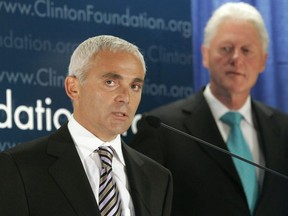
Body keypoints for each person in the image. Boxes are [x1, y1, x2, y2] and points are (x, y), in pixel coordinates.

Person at [130, 2, 288, 216]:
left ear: (263, 61)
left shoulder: (283, 128)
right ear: (205, 55)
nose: (236, 59)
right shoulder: (162, 129)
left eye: (247, 50)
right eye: (226, 48)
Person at [0, 35, 173, 216]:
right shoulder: (19, 167)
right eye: (110, 82)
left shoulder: (158, 178)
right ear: (73, 87)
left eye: (135, 86)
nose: (126, 98)